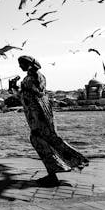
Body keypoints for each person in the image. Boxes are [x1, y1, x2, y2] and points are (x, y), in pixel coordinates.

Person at [14, 55, 89, 186]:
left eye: (21, 64)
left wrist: (19, 86)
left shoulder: (34, 76)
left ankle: (58, 171)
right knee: (46, 140)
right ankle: (64, 166)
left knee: (40, 140)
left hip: (38, 113)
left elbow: (34, 92)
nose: (20, 66)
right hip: (36, 112)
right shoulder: (34, 76)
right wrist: (14, 87)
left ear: (28, 65)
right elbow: (24, 95)